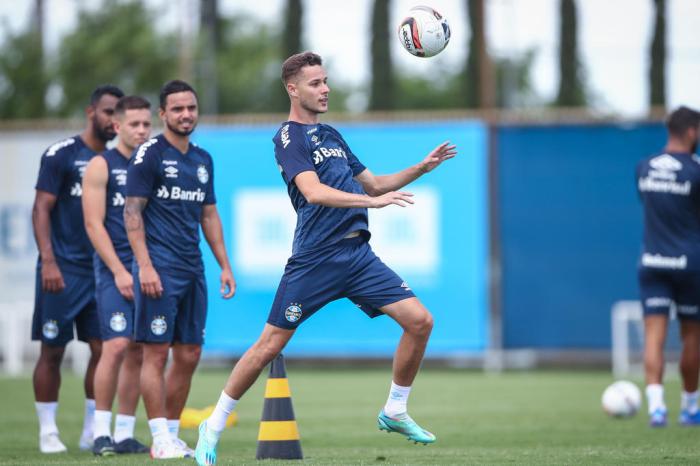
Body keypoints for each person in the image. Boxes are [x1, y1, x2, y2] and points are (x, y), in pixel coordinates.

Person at [194, 51, 457, 466]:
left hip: (357, 256)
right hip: (315, 259)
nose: (325, 89)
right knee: (268, 346)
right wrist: (374, 200)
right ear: (292, 88)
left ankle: (394, 409)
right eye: (316, 83)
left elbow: (373, 184)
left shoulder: (332, 135)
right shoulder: (288, 137)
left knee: (420, 321)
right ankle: (213, 424)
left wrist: (421, 168)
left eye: (326, 81)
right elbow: (315, 193)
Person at [124, 80, 236, 459]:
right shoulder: (149, 155)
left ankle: (171, 435)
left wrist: (223, 264)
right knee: (155, 354)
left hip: (193, 270)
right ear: (163, 114)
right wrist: (145, 266)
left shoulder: (202, 159)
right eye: (177, 109)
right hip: (160, 270)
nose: (185, 114)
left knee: (189, 354)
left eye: (191, 107)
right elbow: (131, 212)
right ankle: (159, 437)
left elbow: (208, 214)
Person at [31, 84, 124, 453]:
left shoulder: (122, 161)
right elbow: (41, 209)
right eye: (107, 112)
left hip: (101, 273)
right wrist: (49, 261)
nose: (112, 119)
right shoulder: (62, 155)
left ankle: (92, 429)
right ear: (91, 113)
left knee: (104, 349)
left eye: (118, 113)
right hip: (63, 270)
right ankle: (47, 431)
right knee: (52, 350)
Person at [82, 95, 153, 456]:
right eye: (134, 124)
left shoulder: (154, 163)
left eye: (146, 124)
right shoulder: (101, 165)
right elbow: (94, 225)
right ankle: (99, 432)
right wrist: (120, 271)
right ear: (118, 126)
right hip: (115, 270)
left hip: (148, 270)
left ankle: (124, 433)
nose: (141, 130)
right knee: (116, 345)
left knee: (140, 349)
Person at [637, 105, 700, 427]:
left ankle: (656, 407)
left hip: (652, 261)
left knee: (653, 334)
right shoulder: (696, 170)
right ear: (691, 132)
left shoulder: (645, 167)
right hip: (690, 264)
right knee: (691, 335)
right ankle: (690, 407)